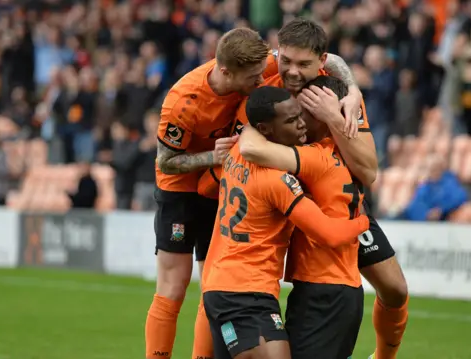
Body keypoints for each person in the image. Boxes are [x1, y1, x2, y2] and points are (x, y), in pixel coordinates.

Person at [197, 19, 409, 359]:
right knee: (232, 281)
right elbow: (247, 140)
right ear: (278, 54)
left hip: (336, 199)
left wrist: (337, 114)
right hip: (283, 201)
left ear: (321, 61)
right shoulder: (264, 88)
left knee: (395, 288)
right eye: (287, 61)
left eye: (303, 64)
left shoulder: (336, 93)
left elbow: (368, 169)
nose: (292, 71)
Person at [149, 25, 361, 359]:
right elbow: (165, 162)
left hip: (219, 180)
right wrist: (211, 157)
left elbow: (329, 60)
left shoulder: (261, 65)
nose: (263, 81)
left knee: (212, 280)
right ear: (226, 72)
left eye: (264, 72)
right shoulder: (182, 101)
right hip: (182, 183)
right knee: (174, 285)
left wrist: (353, 91)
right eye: (254, 78)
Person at [202, 86, 370, 359]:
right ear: (265, 129)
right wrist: (362, 222)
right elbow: (328, 234)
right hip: (248, 292)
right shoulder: (277, 179)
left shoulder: (235, 153)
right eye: (291, 121)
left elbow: (203, 188)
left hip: (219, 285)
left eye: (300, 115)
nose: (301, 123)